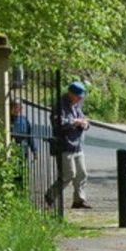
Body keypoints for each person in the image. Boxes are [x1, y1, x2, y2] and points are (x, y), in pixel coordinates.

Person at [45, 81, 92, 209]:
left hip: (78, 146)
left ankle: (79, 200)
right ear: (71, 94)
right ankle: (50, 196)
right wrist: (74, 122)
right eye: (78, 96)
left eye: (81, 96)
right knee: (68, 175)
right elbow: (58, 123)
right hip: (65, 146)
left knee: (82, 174)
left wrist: (85, 124)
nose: (80, 99)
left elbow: (83, 119)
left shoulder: (76, 105)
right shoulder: (60, 106)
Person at [10, 99, 36, 189]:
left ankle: (20, 188)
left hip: (23, 148)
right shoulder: (8, 120)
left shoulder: (24, 120)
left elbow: (30, 136)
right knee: (13, 169)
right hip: (12, 149)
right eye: (17, 107)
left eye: (20, 107)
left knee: (21, 169)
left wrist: (34, 150)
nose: (19, 109)